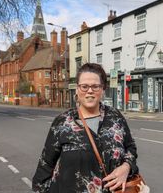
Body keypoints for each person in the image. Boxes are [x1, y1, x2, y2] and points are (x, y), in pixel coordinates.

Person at [32, 63, 139, 193]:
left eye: (95, 86)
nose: (89, 91)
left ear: (102, 89)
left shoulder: (115, 116)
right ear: (77, 89)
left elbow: (131, 148)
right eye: (84, 87)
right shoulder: (62, 122)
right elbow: (45, 166)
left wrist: (126, 167)